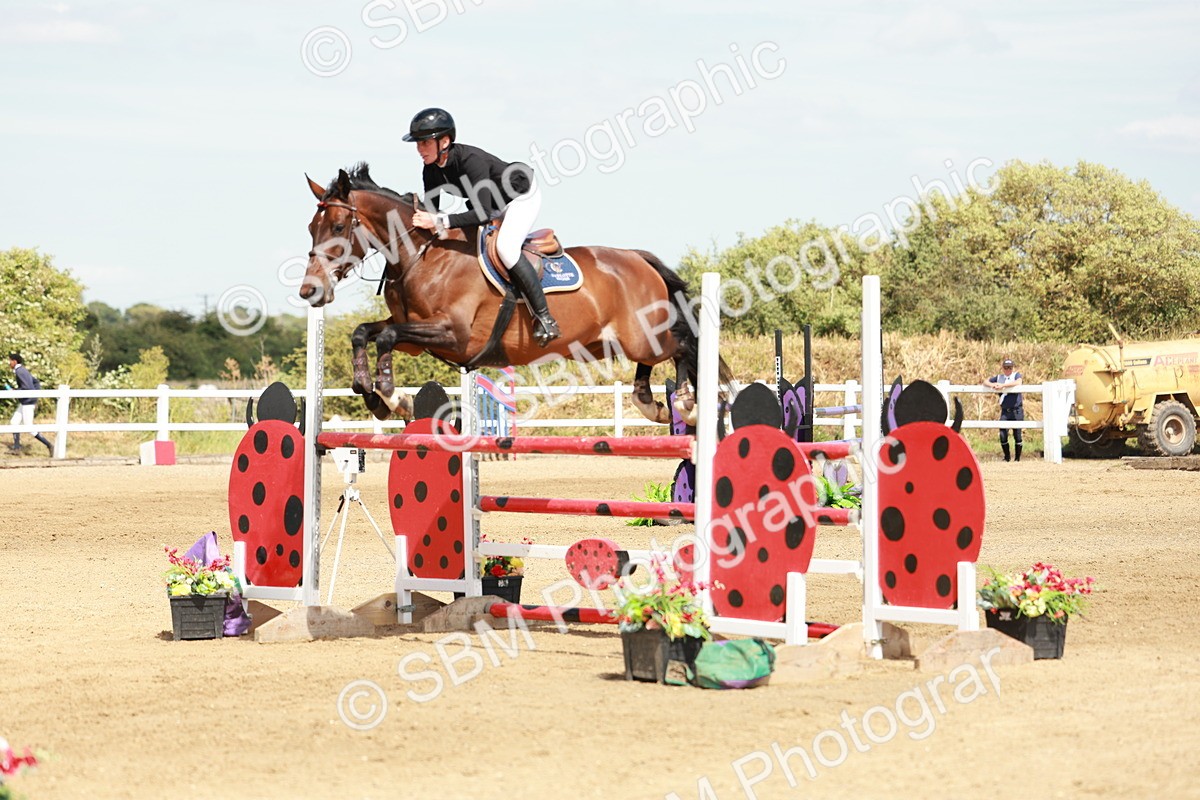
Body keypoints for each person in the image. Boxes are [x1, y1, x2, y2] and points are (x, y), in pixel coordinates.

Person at [404, 107, 561, 347]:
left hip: (519, 197)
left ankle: (545, 318)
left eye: (424, 143)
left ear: (444, 141)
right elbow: (432, 211)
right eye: (418, 143)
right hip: (489, 204)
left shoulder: (470, 162)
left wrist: (438, 221)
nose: (419, 149)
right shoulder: (431, 169)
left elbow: (484, 214)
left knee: (506, 249)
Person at [7, 353, 52, 455]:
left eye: (10, 361)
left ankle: (48, 444)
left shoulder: (19, 371)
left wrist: (15, 391)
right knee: (14, 422)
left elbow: (26, 387)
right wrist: (35, 394)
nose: (9, 363)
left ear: (15, 361)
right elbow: (36, 382)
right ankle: (17, 448)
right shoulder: (23, 370)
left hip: (27, 402)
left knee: (29, 427)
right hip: (26, 401)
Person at [981, 357, 1024, 462]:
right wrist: (993, 385)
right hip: (1005, 410)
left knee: (1017, 434)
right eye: (1006, 367)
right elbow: (985, 381)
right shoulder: (999, 377)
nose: (1008, 370)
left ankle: (1017, 458)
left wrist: (1003, 386)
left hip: (1016, 410)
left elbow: (1019, 382)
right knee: (1003, 433)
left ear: (1012, 368)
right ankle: (1007, 457)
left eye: (1009, 367)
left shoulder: (1016, 375)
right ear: (1003, 368)